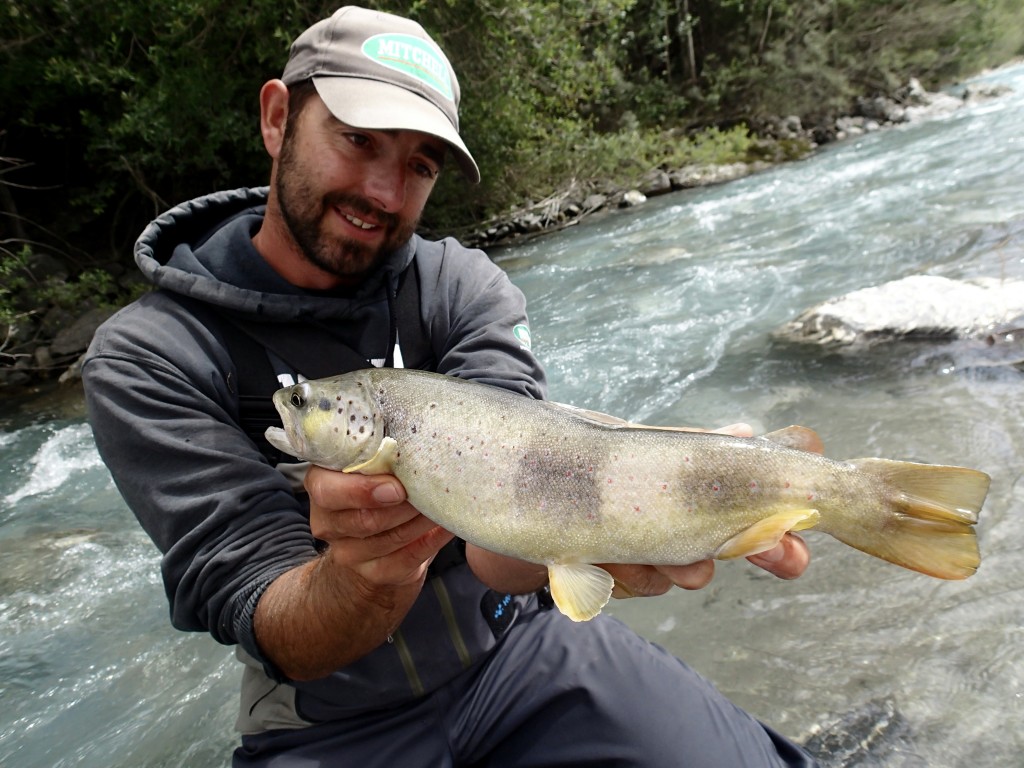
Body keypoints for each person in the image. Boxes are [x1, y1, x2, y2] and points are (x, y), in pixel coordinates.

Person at [83, 6, 818, 766]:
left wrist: (628, 512)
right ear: (278, 119)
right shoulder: (150, 357)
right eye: (358, 139)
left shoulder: (461, 286)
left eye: (421, 165)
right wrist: (370, 574)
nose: (384, 190)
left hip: (519, 644)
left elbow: (506, 552)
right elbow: (273, 622)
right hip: (332, 721)